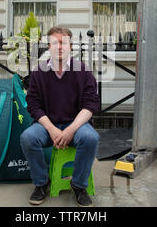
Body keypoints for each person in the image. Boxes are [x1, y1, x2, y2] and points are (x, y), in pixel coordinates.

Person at [20, 26, 100, 207]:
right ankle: (41, 183)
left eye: (63, 42)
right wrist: (52, 129)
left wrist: (71, 130)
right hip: (48, 125)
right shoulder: (39, 72)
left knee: (91, 137)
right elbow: (33, 104)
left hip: (76, 125)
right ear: (49, 47)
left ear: (70, 46)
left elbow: (91, 104)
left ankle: (79, 185)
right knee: (28, 138)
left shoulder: (83, 71)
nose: (59, 47)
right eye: (55, 43)